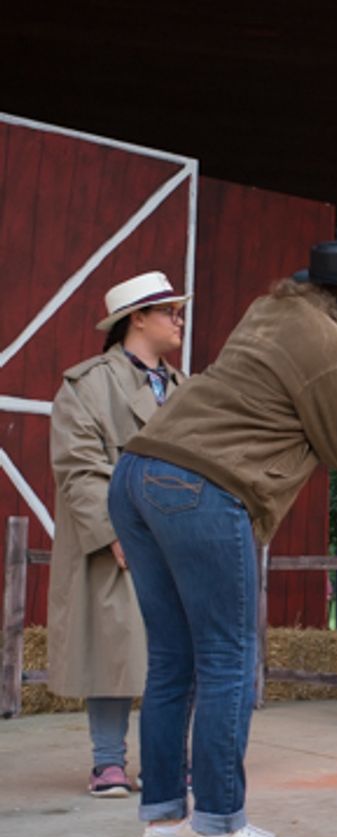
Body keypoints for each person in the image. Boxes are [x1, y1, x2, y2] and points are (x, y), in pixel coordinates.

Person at [107, 241, 337, 837]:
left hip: (137, 473)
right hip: (202, 487)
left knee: (172, 660)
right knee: (228, 658)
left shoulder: (268, 311)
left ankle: (164, 821)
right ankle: (219, 827)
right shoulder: (327, 348)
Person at [47, 272, 188, 797]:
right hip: (119, 536)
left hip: (176, 535)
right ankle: (107, 761)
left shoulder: (185, 388)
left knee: (173, 650)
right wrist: (114, 533)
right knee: (113, 641)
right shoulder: (87, 385)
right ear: (138, 318)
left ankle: (164, 759)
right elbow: (78, 467)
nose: (179, 319)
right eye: (169, 311)